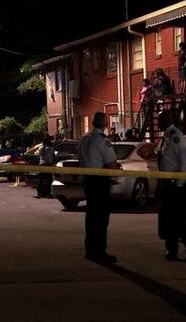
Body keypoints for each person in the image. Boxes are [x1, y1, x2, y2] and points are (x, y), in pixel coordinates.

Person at [157, 110, 186, 263]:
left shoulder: (176, 136)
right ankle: (171, 248)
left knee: (181, 218)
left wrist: (180, 184)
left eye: (160, 119)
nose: (158, 122)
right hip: (167, 182)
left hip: (176, 183)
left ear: (168, 120)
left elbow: (183, 161)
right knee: (168, 218)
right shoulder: (166, 136)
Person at [79, 112, 118, 263]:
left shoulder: (84, 138)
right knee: (101, 218)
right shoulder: (102, 140)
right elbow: (111, 163)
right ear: (105, 124)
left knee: (91, 217)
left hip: (87, 180)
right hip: (100, 180)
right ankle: (100, 251)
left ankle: (90, 249)